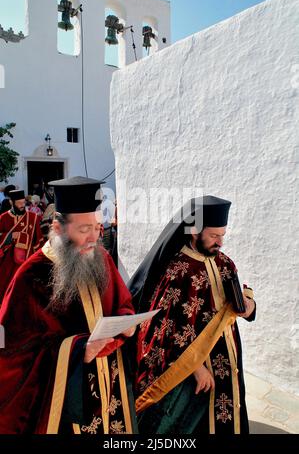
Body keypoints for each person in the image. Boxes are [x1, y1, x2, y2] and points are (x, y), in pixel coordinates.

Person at [0, 176, 137, 434]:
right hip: (62, 402)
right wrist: (77, 350)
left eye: (98, 228)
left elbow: (123, 302)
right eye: (85, 230)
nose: (94, 238)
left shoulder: (102, 257)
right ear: (59, 227)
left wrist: (127, 320)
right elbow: (12, 350)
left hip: (110, 386)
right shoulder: (32, 275)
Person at [128, 195, 256, 435]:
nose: (220, 242)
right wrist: (196, 368)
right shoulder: (177, 270)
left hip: (226, 362)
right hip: (191, 371)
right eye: (214, 236)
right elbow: (163, 329)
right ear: (195, 232)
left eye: (223, 235)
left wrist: (249, 305)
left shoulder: (224, 263)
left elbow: (239, 295)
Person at [0, 189, 44, 302]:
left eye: (23, 202)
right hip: (7, 262)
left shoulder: (33, 218)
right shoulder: (3, 218)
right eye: (19, 203)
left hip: (26, 260)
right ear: (11, 202)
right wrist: (11, 236)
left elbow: (38, 241)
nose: (22, 205)